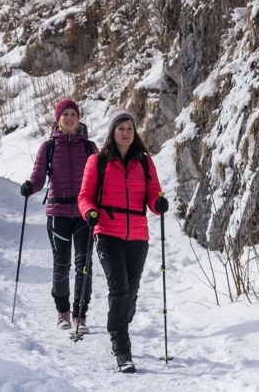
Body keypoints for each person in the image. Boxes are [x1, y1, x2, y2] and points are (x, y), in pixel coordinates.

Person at [76, 109, 168, 374]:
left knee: (131, 290)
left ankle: (122, 320)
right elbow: (84, 196)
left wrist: (159, 203)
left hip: (138, 235)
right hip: (106, 232)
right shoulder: (98, 161)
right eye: (121, 128)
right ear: (112, 132)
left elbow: (153, 195)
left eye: (130, 128)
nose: (126, 133)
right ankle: (121, 348)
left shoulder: (145, 162)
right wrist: (89, 212)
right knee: (119, 290)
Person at [20, 99, 97, 334]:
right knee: (61, 265)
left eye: (74, 114)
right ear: (58, 119)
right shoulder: (48, 147)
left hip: (85, 213)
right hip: (58, 214)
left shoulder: (90, 148)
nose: (70, 118)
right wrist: (29, 187)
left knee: (84, 265)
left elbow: (99, 178)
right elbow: (38, 177)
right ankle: (62, 312)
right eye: (65, 114)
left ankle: (80, 315)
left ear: (79, 118)